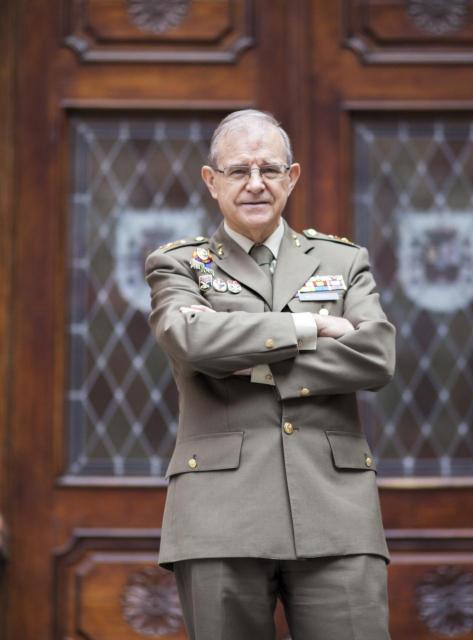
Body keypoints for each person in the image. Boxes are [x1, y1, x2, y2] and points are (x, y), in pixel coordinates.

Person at [145, 109, 396, 639]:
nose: (255, 184)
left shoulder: (342, 261)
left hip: (336, 511)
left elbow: (376, 355)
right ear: (211, 181)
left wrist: (247, 360)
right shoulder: (180, 265)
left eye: (269, 170)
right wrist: (308, 326)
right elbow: (190, 341)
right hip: (219, 516)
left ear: (292, 177)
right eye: (239, 171)